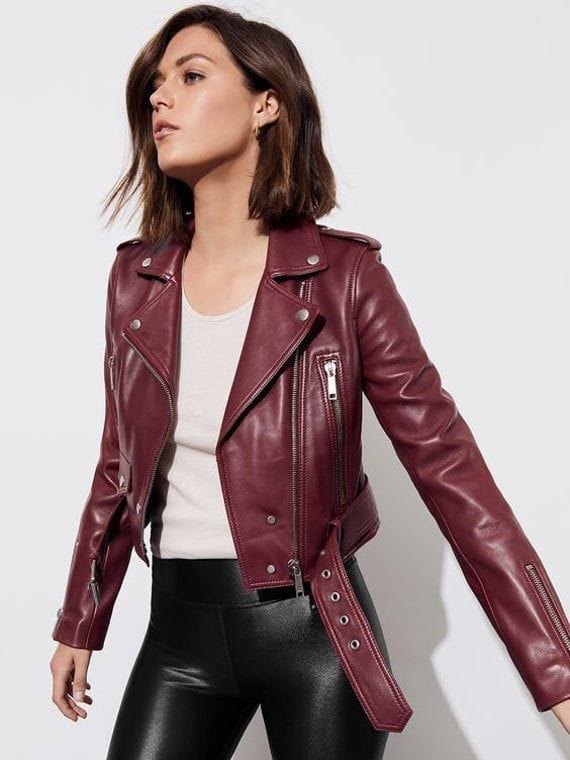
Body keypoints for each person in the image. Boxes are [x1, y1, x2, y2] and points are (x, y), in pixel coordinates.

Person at [49, 5, 570, 759]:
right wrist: (81, 619)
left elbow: (449, 468)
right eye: (156, 83)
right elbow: (117, 462)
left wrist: (556, 669)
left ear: (266, 103)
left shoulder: (346, 277)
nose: (160, 97)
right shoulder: (138, 278)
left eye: (191, 76)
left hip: (317, 638)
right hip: (178, 635)